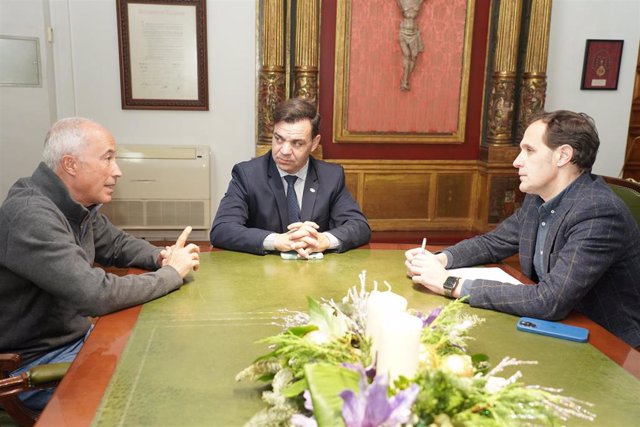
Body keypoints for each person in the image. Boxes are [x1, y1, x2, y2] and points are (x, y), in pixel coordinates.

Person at [0, 117, 201, 410]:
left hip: (75, 340)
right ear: (70, 165)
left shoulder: (72, 203)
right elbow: (95, 294)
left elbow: (117, 244)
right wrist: (171, 274)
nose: (117, 171)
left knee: (174, 352)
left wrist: (159, 257)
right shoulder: (31, 215)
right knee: (159, 391)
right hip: (35, 363)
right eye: (108, 159)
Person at [405, 110, 640, 348]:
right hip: (554, 332)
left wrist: (450, 284)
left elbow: (549, 300)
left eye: (529, 150)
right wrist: (440, 260)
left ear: (563, 155)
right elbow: (493, 243)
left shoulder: (598, 212)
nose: (517, 161)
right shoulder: (539, 197)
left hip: (607, 348)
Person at [210, 98, 371, 257]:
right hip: (263, 275)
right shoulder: (248, 175)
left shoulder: (331, 176)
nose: (285, 151)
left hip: (315, 274)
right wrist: (276, 241)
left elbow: (359, 226)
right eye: (278, 139)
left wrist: (324, 240)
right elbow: (222, 229)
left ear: (314, 143)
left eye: (297, 143)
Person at [397, 0, 425, 91]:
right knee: (407, 54)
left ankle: (405, 80)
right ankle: (404, 81)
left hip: (414, 34)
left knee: (414, 56)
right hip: (403, 33)